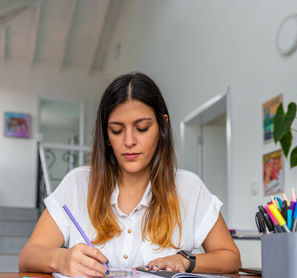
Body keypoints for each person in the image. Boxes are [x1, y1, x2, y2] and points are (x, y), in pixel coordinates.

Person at [18, 72, 241, 276]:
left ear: (162, 126)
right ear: (106, 134)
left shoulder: (189, 187)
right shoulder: (78, 184)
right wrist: (61, 258)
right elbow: (28, 256)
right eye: (116, 130)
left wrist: (185, 261)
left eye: (142, 128)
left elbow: (231, 258)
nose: (129, 141)